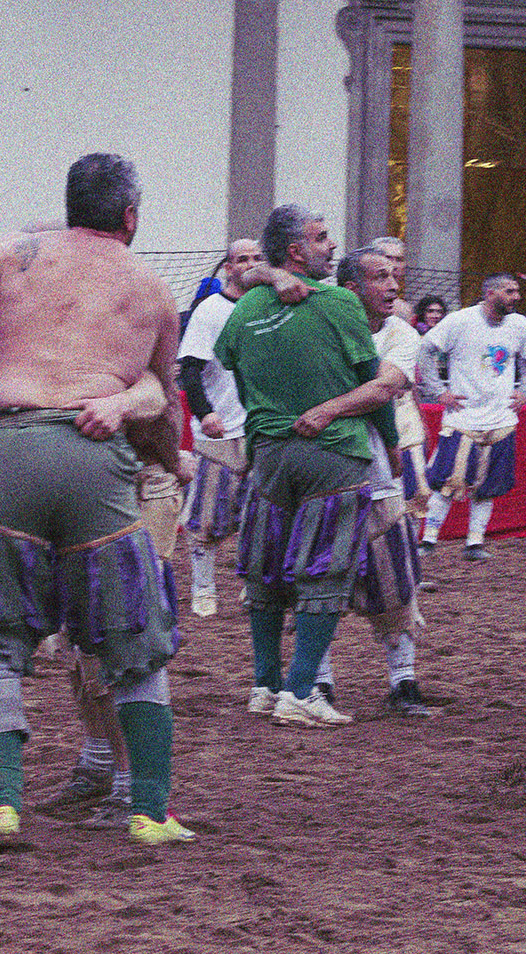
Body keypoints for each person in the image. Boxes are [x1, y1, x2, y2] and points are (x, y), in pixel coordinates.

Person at [0, 154, 191, 849]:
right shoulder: (153, 290)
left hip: (7, 445)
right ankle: (149, 811)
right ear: (131, 217)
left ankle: (1, 806)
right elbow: (161, 402)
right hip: (93, 456)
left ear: (71, 203)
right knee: (135, 644)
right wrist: (170, 467)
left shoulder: (14, 254)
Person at [215, 203, 403, 731]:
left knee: (267, 570)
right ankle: (301, 693)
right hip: (333, 451)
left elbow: (230, 364)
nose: (332, 247)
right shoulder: (340, 302)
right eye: (322, 239)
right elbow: (373, 387)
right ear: (296, 250)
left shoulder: (246, 308)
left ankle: (264, 684)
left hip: (268, 455)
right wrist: (390, 446)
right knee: (327, 570)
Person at [311, 246, 434, 718]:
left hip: (381, 473)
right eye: (380, 277)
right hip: (322, 470)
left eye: (393, 275)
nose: (393, 285)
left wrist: (326, 408)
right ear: (350, 290)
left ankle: (403, 679)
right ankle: (320, 683)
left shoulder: (403, 333)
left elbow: (384, 387)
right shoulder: (320, 322)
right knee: (318, 579)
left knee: (396, 580)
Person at [416, 273, 526, 560]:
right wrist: (437, 391)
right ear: (490, 293)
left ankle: (475, 543)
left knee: (488, 486)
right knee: (447, 481)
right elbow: (426, 349)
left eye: (516, 291)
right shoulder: (460, 321)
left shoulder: (520, 324)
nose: (516, 297)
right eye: (510, 291)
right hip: (463, 418)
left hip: (502, 420)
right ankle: (429, 539)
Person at [175, 237, 263, 617]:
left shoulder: (269, 305)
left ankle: (254, 587)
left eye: (258, 258)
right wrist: (205, 411)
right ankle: (204, 587)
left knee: (260, 516)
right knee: (208, 516)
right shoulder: (210, 310)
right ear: (228, 267)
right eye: (242, 259)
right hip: (221, 429)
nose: (250, 264)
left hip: (262, 426)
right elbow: (190, 368)